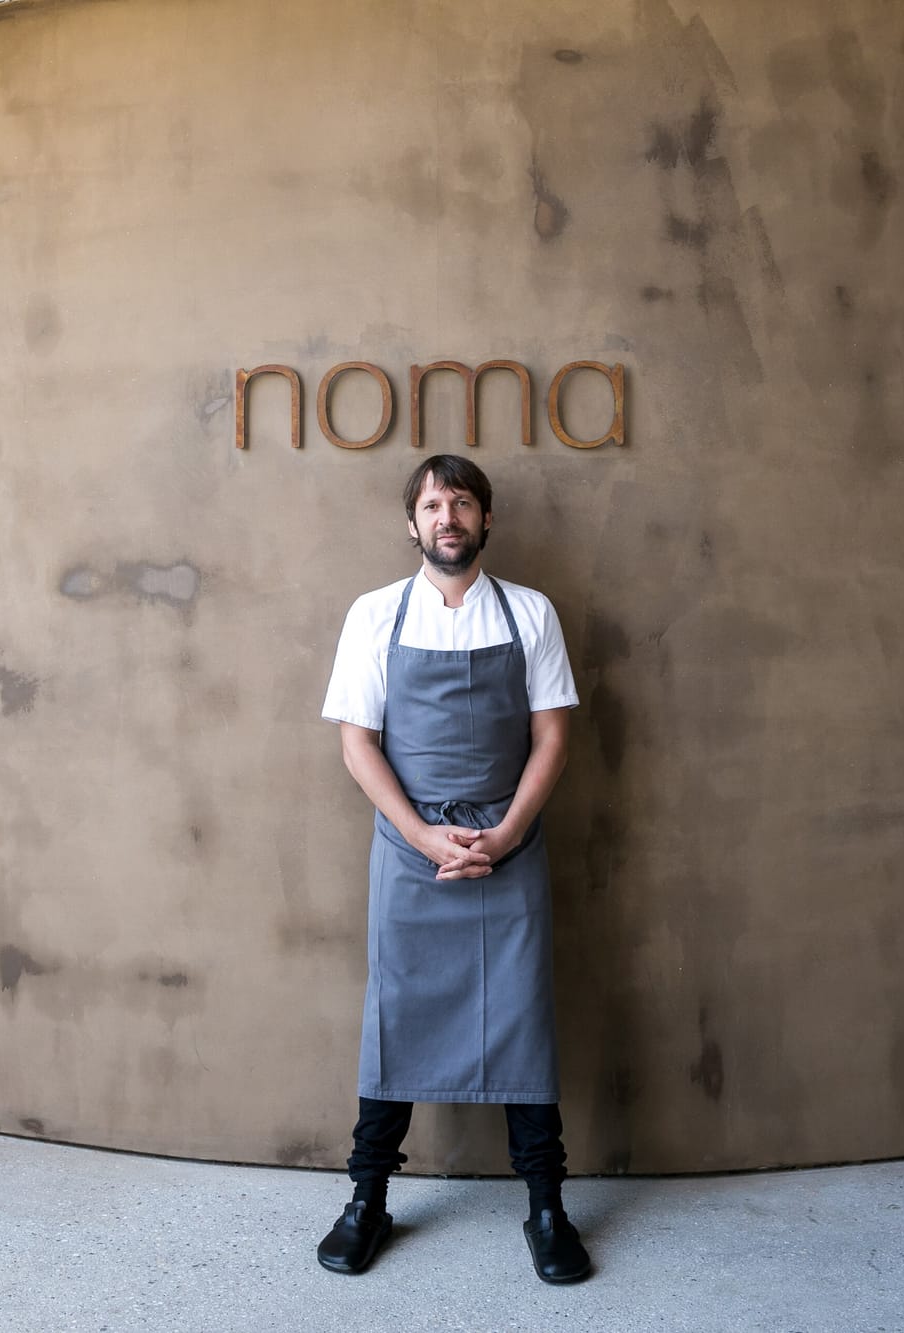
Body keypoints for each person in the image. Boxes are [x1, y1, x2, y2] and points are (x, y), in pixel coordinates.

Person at [315, 454, 591, 1284]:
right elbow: (357, 742)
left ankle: (547, 1206)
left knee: (521, 1018)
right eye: (433, 504)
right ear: (413, 523)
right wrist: (424, 835)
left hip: (509, 846)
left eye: (461, 502)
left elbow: (552, 735)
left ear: (485, 519)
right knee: (395, 1014)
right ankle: (367, 1200)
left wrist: (504, 834)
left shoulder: (532, 613)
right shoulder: (373, 614)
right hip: (411, 855)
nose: (448, 517)